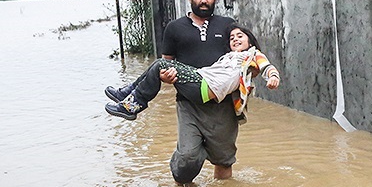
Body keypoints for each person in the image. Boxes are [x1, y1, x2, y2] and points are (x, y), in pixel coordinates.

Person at [107, 0, 243, 184]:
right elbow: (165, 64)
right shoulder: (174, 28)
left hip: (222, 105)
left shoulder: (227, 26)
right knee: (187, 160)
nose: (204, 0)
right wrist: (166, 78)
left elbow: (243, 52)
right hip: (189, 103)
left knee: (224, 163)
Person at [104, 24, 280, 119]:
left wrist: (272, 77)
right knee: (160, 64)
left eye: (240, 36)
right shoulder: (229, 57)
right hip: (201, 83)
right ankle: (127, 94)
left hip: (204, 85)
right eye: (232, 38)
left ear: (250, 42)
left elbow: (266, 66)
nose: (235, 39)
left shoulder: (252, 55)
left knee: (160, 64)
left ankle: (131, 104)